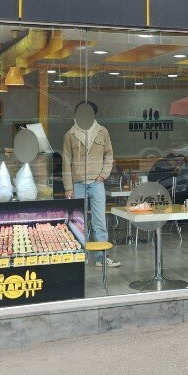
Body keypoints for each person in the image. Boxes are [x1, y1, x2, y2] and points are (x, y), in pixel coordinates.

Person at [63, 101, 119, 268]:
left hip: (96, 182)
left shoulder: (102, 132)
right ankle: (81, 256)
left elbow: (109, 155)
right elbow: (66, 162)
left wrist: (102, 176)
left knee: (99, 221)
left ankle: (102, 258)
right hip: (78, 183)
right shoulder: (70, 134)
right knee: (78, 221)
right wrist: (68, 187)